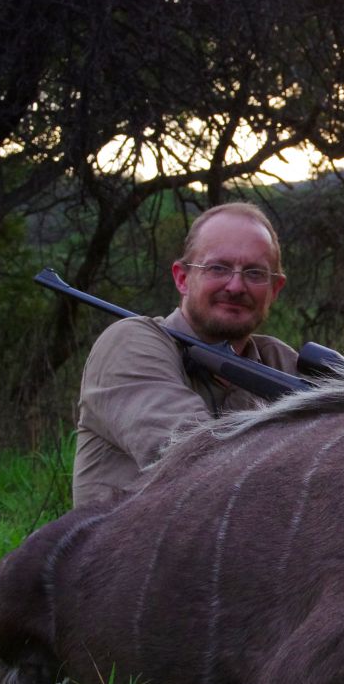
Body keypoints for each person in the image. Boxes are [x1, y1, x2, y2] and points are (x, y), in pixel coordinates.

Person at [71, 202, 299, 507]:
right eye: (218, 268)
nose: (235, 286)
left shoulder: (281, 362)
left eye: (255, 273)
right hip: (141, 537)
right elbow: (196, 460)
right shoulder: (129, 342)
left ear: (275, 289)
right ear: (182, 278)